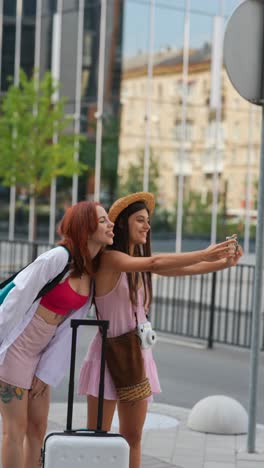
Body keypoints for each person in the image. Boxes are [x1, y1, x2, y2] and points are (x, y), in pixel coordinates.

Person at [78, 192, 242, 468]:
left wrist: (221, 263)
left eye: (148, 221)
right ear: (122, 225)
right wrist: (206, 251)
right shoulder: (110, 259)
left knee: (132, 437)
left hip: (136, 355)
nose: (147, 226)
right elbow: (156, 262)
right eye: (140, 220)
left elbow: (177, 268)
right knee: (99, 437)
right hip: (108, 355)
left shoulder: (136, 265)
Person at [0, 200, 114, 468]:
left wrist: (47, 369)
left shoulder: (91, 270)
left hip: (41, 354)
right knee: (14, 430)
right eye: (102, 220)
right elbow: (15, 299)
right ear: (85, 228)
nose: (110, 225)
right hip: (16, 347)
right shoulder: (58, 258)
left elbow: (64, 331)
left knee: (38, 429)